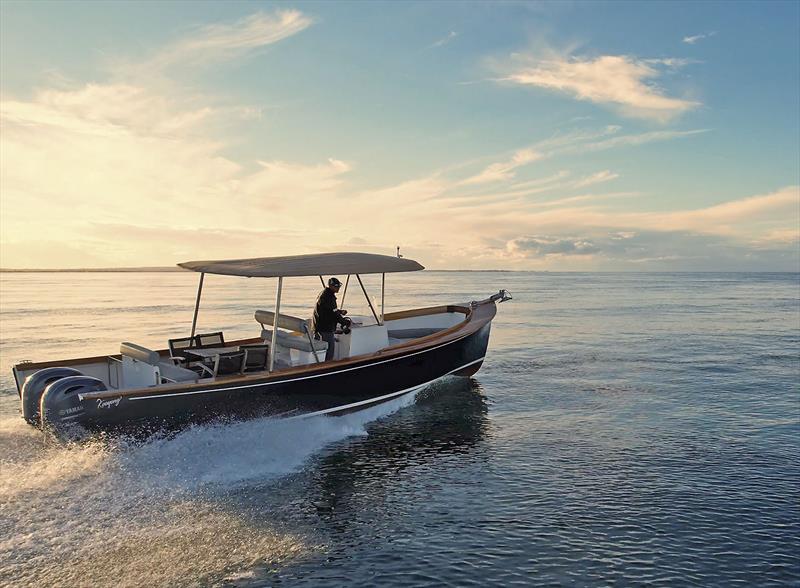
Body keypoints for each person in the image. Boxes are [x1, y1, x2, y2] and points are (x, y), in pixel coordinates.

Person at [313, 277, 350, 361]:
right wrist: (344, 322)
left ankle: (323, 365)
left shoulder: (325, 294)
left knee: (324, 351)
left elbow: (329, 310)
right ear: (330, 286)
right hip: (325, 329)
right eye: (336, 286)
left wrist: (340, 311)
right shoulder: (329, 297)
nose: (338, 288)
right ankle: (327, 367)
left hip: (319, 327)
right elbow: (334, 314)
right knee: (329, 351)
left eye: (338, 286)